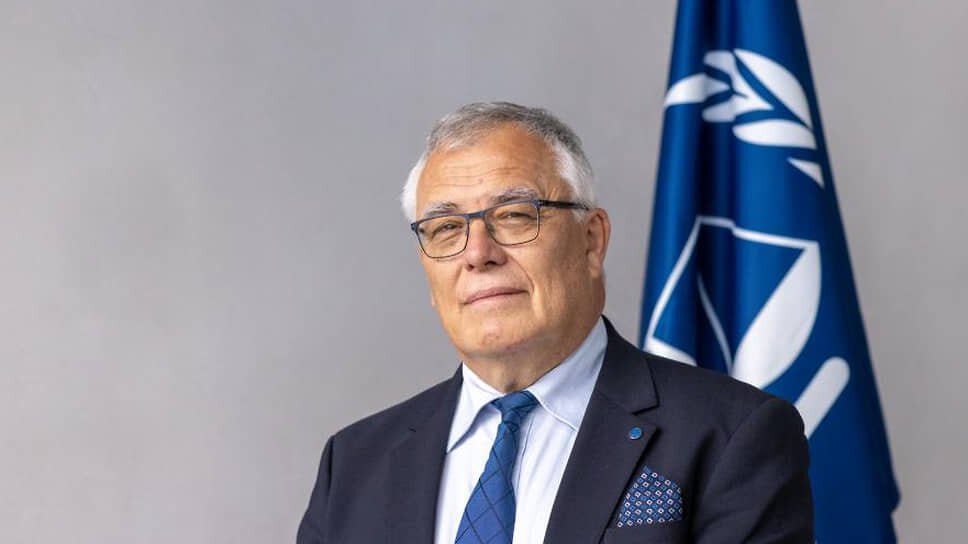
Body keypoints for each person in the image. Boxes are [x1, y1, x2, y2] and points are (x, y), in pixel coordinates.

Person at [297, 102, 813, 544]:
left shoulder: (732, 436)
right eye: (446, 228)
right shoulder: (354, 463)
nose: (477, 253)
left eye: (514, 215)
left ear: (592, 240)